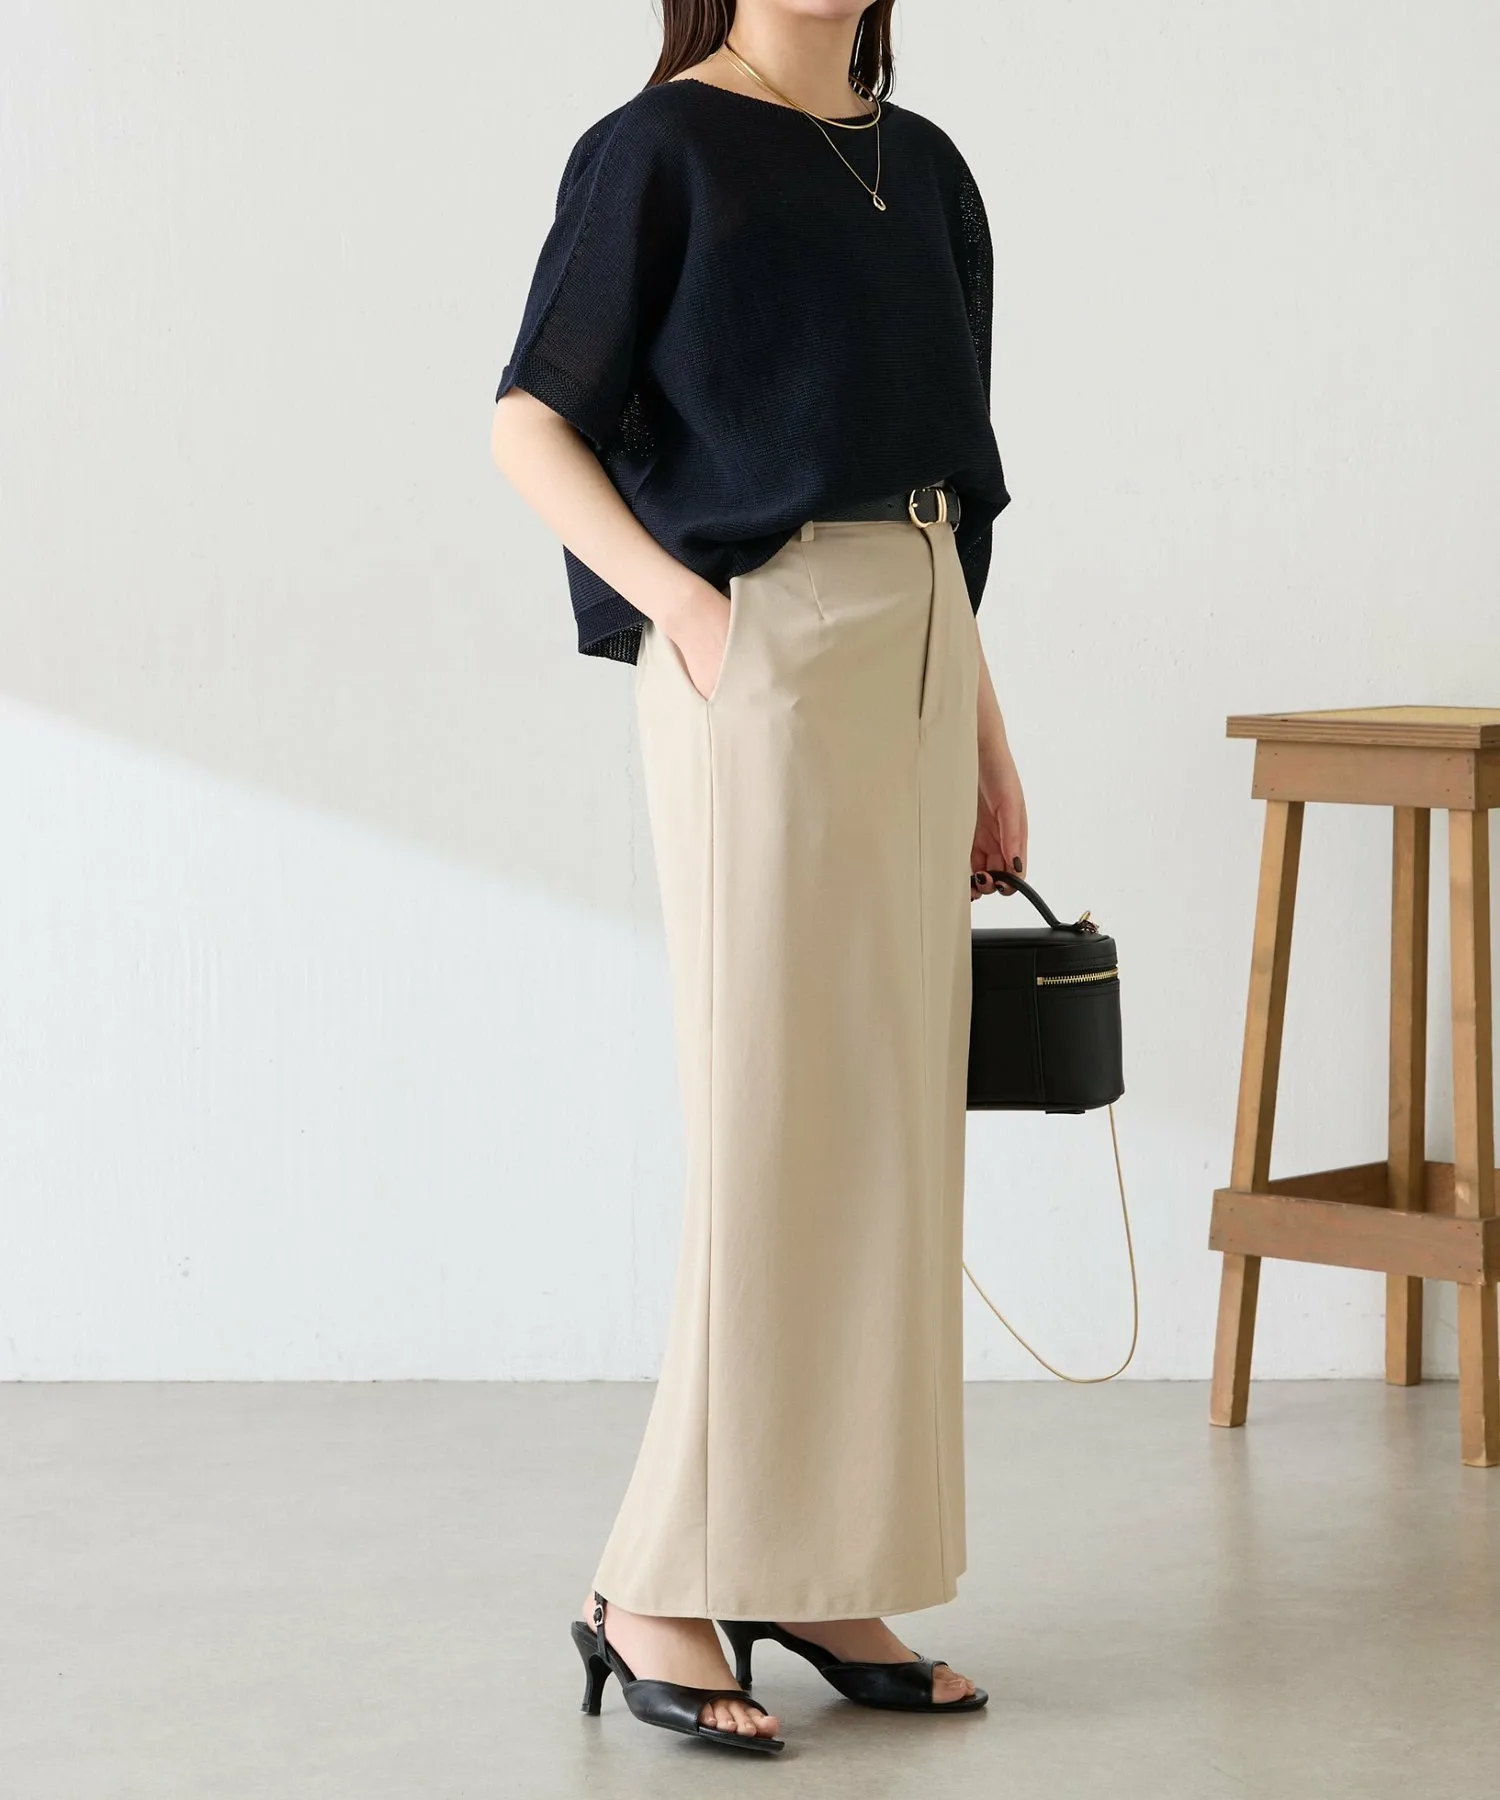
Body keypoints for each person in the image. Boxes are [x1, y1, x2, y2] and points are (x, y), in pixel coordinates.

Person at [490, 0, 1027, 1757]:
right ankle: (651, 1581)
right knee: (772, 1123)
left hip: (921, 639)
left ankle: (815, 1564)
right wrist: (687, 609)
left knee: (888, 1134)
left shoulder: (926, 168)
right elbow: (531, 424)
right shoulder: (658, 149)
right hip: (763, 648)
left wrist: (989, 739)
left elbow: (943, 486)